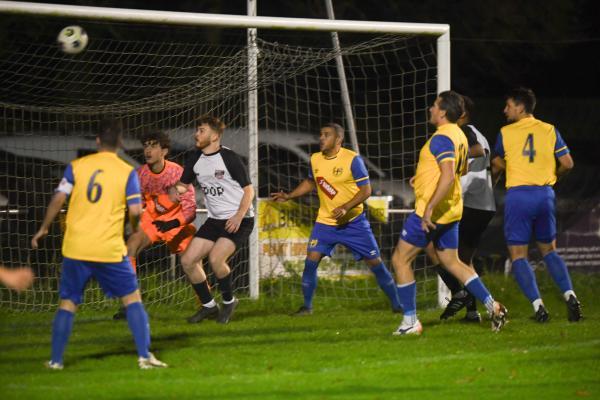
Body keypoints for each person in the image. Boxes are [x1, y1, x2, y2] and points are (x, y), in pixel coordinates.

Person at [31, 119, 167, 370]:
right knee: (132, 299)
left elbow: (58, 198)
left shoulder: (77, 166)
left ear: (96, 142)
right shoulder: (126, 171)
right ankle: (144, 356)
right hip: (108, 249)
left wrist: (44, 227)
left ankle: (55, 360)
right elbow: (136, 209)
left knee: (68, 303)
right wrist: (136, 227)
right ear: (120, 143)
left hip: (76, 247)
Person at [392, 90, 507, 336]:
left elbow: (447, 174)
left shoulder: (442, 137)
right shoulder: (460, 136)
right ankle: (492, 305)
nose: (431, 109)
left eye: (435, 105)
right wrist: (424, 177)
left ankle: (410, 322)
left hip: (432, 211)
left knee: (400, 260)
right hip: (453, 211)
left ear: (443, 112)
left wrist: (430, 207)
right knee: (453, 262)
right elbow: (459, 170)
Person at [271, 122, 401, 315]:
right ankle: (307, 307)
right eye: (321, 134)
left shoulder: (352, 159)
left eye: (326, 135)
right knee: (310, 261)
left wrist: (346, 206)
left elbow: (366, 190)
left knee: (376, 264)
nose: (321, 138)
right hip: (325, 223)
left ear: (338, 139)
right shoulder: (315, 159)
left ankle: (398, 305)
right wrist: (290, 195)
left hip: (354, 223)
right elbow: (310, 182)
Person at [491, 87, 582, 323]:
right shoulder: (549, 130)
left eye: (508, 106)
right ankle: (570, 296)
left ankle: (539, 307)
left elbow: (498, 163)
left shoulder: (506, 132)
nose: (505, 110)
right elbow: (568, 163)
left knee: (518, 255)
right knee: (549, 250)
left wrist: (493, 177)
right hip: (544, 194)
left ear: (520, 108)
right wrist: (554, 176)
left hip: (519, 196)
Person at [173, 115, 254, 324]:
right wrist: (172, 192)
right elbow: (183, 185)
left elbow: (249, 191)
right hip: (215, 219)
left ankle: (229, 301)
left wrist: (238, 216)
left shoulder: (229, 158)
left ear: (215, 135)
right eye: (197, 130)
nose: (196, 134)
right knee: (188, 260)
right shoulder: (195, 158)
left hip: (240, 218)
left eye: (201, 130)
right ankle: (209, 306)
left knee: (216, 259)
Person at [112, 130, 197, 320]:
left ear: (164, 151)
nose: (148, 150)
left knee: (191, 261)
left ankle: (206, 304)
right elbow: (138, 204)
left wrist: (175, 222)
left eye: (153, 146)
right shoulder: (139, 175)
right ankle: (131, 305)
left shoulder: (178, 173)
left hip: (175, 222)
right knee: (130, 248)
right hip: (152, 222)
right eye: (146, 146)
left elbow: (190, 208)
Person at [434, 96, 497, 322]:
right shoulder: (475, 132)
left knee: (438, 251)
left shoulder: (466, 132)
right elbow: (492, 165)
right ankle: (472, 311)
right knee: (462, 260)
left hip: (469, 205)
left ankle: (460, 295)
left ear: (462, 114)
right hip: (480, 205)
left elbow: (478, 152)